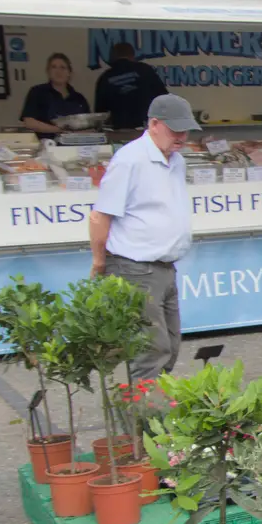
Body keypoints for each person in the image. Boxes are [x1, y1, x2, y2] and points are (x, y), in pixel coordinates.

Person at [87, 95, 199, 381]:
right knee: (151, 351)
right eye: (176, 130)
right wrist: (100, 263)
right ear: (154, 124)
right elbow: (100, 216)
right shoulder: (129, 159)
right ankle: (144, 422)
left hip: (165, 265)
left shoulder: (177, 161)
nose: (182, 137)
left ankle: (158, 413)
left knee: (171, 345)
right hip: (134, 267)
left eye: (186, 131)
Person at [93, 42, 168, 129]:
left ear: (113, 56)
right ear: (132, 55)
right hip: (145, 127)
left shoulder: (105, 77)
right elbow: (164, 98)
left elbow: (99, 114)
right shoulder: (145, 70)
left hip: (118, 128)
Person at [20, 53, 92, 134]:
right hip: (45, 144)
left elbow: (88, 126)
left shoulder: (79, 98)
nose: (58, 71)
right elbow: (29, 122)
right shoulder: (37, 92)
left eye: (63, 67)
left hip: (74, 145)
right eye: (54, 67)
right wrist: (60, 130)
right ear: (48, 72)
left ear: (70, 73)